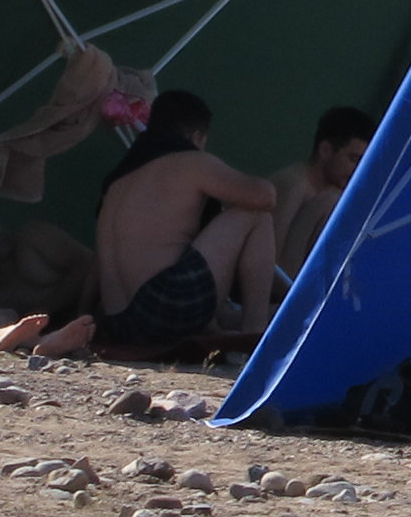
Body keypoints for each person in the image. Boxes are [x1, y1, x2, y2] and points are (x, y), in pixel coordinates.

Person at [90, 89, 277, 358]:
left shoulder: (118, 182)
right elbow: (265, 196)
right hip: (162, 310)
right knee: (257, 214)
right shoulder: (192, 162)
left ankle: (244, 329)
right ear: (197, 136)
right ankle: (255, 335)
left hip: (117, 322)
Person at [0, 201, 95, 356]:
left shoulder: (33, 239)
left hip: (92, 316)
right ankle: (40, 343)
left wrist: (47, 308)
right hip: (49, 331)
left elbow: (91, 263)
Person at [266, 105, 375, 284]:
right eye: (353, 160)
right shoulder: (295, 185)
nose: (358, 171)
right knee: (329, 202)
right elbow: (269, 264)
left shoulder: (333, 191)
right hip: (281, 288)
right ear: (325, 150)